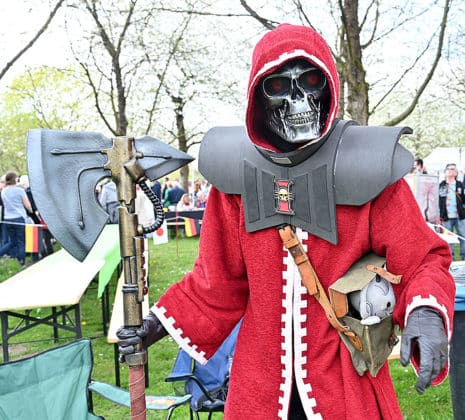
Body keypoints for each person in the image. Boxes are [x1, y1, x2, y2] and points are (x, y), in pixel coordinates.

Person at [118, 24, 455, 418]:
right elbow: (218, 281)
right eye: (278, 86)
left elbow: (421, 260)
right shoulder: (235, 180)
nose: (298, 100)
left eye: (310, 81)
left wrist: (426, 312)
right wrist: (156, 325)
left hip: (346, 381)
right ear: (258, 98)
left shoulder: (370, 170)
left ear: (328, 88)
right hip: (260, 386)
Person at [0, 172, 33, 266]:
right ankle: (22, 262)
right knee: (20, 241)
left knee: (13, 241)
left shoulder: (4, 191)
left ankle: (1, 253)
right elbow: (27, 204)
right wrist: (30, 210)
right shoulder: (19, 190)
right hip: (18, 218)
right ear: (14, 179)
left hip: (7, 219)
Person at [439, 163, 465, 260]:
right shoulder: (441, 185)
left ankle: (464, 257)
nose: (450, 170)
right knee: (448, 239)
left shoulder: (460, 185)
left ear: (456, 172)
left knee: (463, 236)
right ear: (445, 172)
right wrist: (439, 215)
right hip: (446, 217)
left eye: (453, 169)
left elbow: (464, 199)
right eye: (448, 169)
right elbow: (438, 201)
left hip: (460, 217)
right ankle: (451, 258)